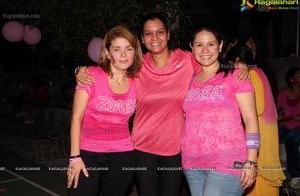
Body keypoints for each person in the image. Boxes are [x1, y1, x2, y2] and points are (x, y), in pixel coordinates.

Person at [75, 12, 248, 196]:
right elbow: (108, 71)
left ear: (168, 35)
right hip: (141, 147)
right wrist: (79, 70)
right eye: (148, 33)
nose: (155, 37)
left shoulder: (187, 60)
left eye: (160, 32)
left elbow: (213, 67)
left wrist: (237, 65)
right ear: (142, 39)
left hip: (175, 147)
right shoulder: (137, 65)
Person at [182, 27, 259, 196]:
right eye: (199, 45)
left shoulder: (236, 75)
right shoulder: (190, 80)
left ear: (221, 45)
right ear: (191, 47)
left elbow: (250, 119)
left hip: (227, 161)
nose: (205, 50)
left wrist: (252, 161)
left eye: (211, 44)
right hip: (192, 163)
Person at [67, 25, 142, 196]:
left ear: (134, 52)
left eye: (128, 49)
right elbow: (76, 118)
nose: (123, 55)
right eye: (117, 49)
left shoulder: (138, 81)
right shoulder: (91, 76)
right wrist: (74, 157)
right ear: (108, 53)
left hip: (123, 154)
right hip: (88, 153)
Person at [225, 45, 286, 196]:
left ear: (237, 60)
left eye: (230, 64)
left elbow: (255, 110)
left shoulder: (248, 74)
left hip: (257, 133)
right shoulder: (259, 72)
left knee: (256, 177)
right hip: (265, 132)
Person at [277, 66, 300, 189]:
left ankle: (296, 176)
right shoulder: (282, 94)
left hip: (298, 127)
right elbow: (275, 112)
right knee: (270, 137)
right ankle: (272, 172)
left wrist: (285, 116)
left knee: (291, 140)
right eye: (298, 76)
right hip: (285, 125)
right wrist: (281, 116)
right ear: (291, 79)